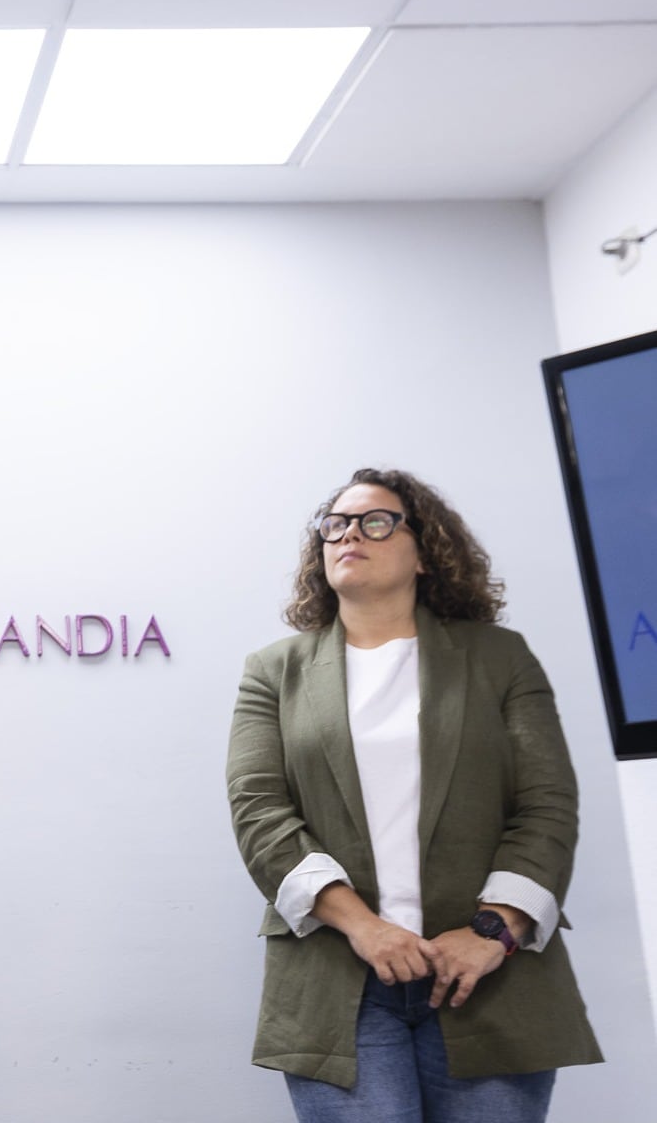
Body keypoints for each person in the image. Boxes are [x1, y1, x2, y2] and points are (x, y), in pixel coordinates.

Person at [226, 467, 601, 1121]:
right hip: (337, 981)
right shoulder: (273, 671)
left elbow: (547, 805)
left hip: (485, 978)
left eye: (375, 521)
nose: (350, 534)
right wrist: (366, 928)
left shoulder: (500, 658)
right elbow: (260, 813)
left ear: (425, 552)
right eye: (335, 524)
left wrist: (496, 930)